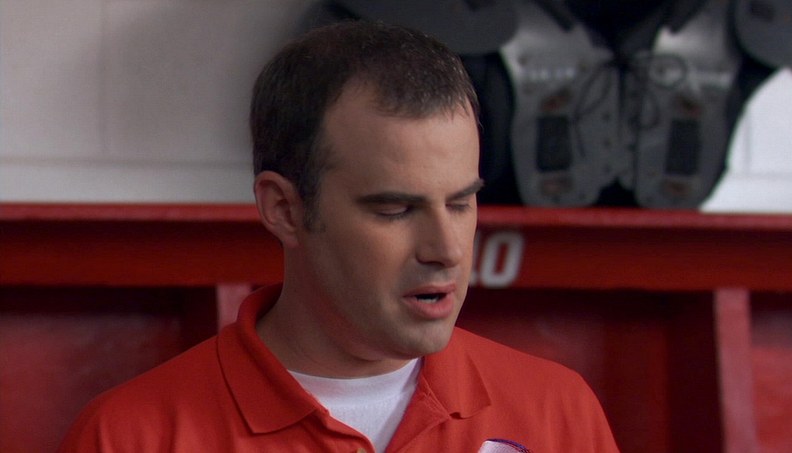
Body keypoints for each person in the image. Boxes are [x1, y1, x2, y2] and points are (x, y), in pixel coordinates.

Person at [60, 20, 619, 452]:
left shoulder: (556, 412)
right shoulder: (133, 435)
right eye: (395, 209)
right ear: (284, 209)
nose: (446, 250)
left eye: (460, 203)